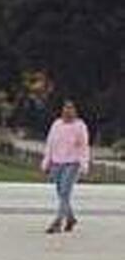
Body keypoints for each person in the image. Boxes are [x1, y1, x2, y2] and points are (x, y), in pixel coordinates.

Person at [41, 100, 91, 234]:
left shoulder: (80, 126)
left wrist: (84, 164)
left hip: (72, 163)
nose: (68, 112)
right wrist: (46, 162)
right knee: (61, 192)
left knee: (64, 192)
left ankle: (57, 222)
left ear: (75, 111)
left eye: (70, 109)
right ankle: (70, 218)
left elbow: (84, 146)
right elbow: (50, 144)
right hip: (57, 162)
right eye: (65, 109)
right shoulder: (56, 125)